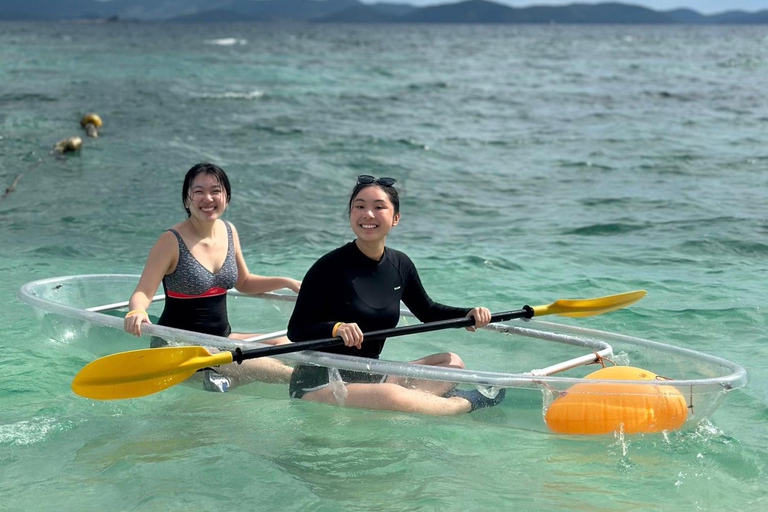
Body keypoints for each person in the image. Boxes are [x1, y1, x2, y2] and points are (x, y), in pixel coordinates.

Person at [286, 175, 505, 415]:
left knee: (451, 362)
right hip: (321, 381)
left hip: (370, 373)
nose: (368, 214)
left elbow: (427, 311)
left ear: (396, 218)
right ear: (350, 214)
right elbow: (297, 329)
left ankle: (416, 401)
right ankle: (464, 403)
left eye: (379, 207)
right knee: (392, 396)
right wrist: (336, 328)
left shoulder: (400, 264)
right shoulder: (328, 267)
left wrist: (468, 314)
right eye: (359, 206)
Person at [124, 162, 301, 391]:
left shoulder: (229, 231)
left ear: (226, 196)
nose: (208, 198)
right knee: (278, 370)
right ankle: (304, 381)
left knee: (287, 343)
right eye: (199, 192)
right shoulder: (170, 241)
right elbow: (143, 292)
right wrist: (137, 311)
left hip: (221, 339)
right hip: (179, 346)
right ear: (187, 200)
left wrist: (288, 282)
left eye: (215, 191)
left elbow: (244, 282)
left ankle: (222, 378)